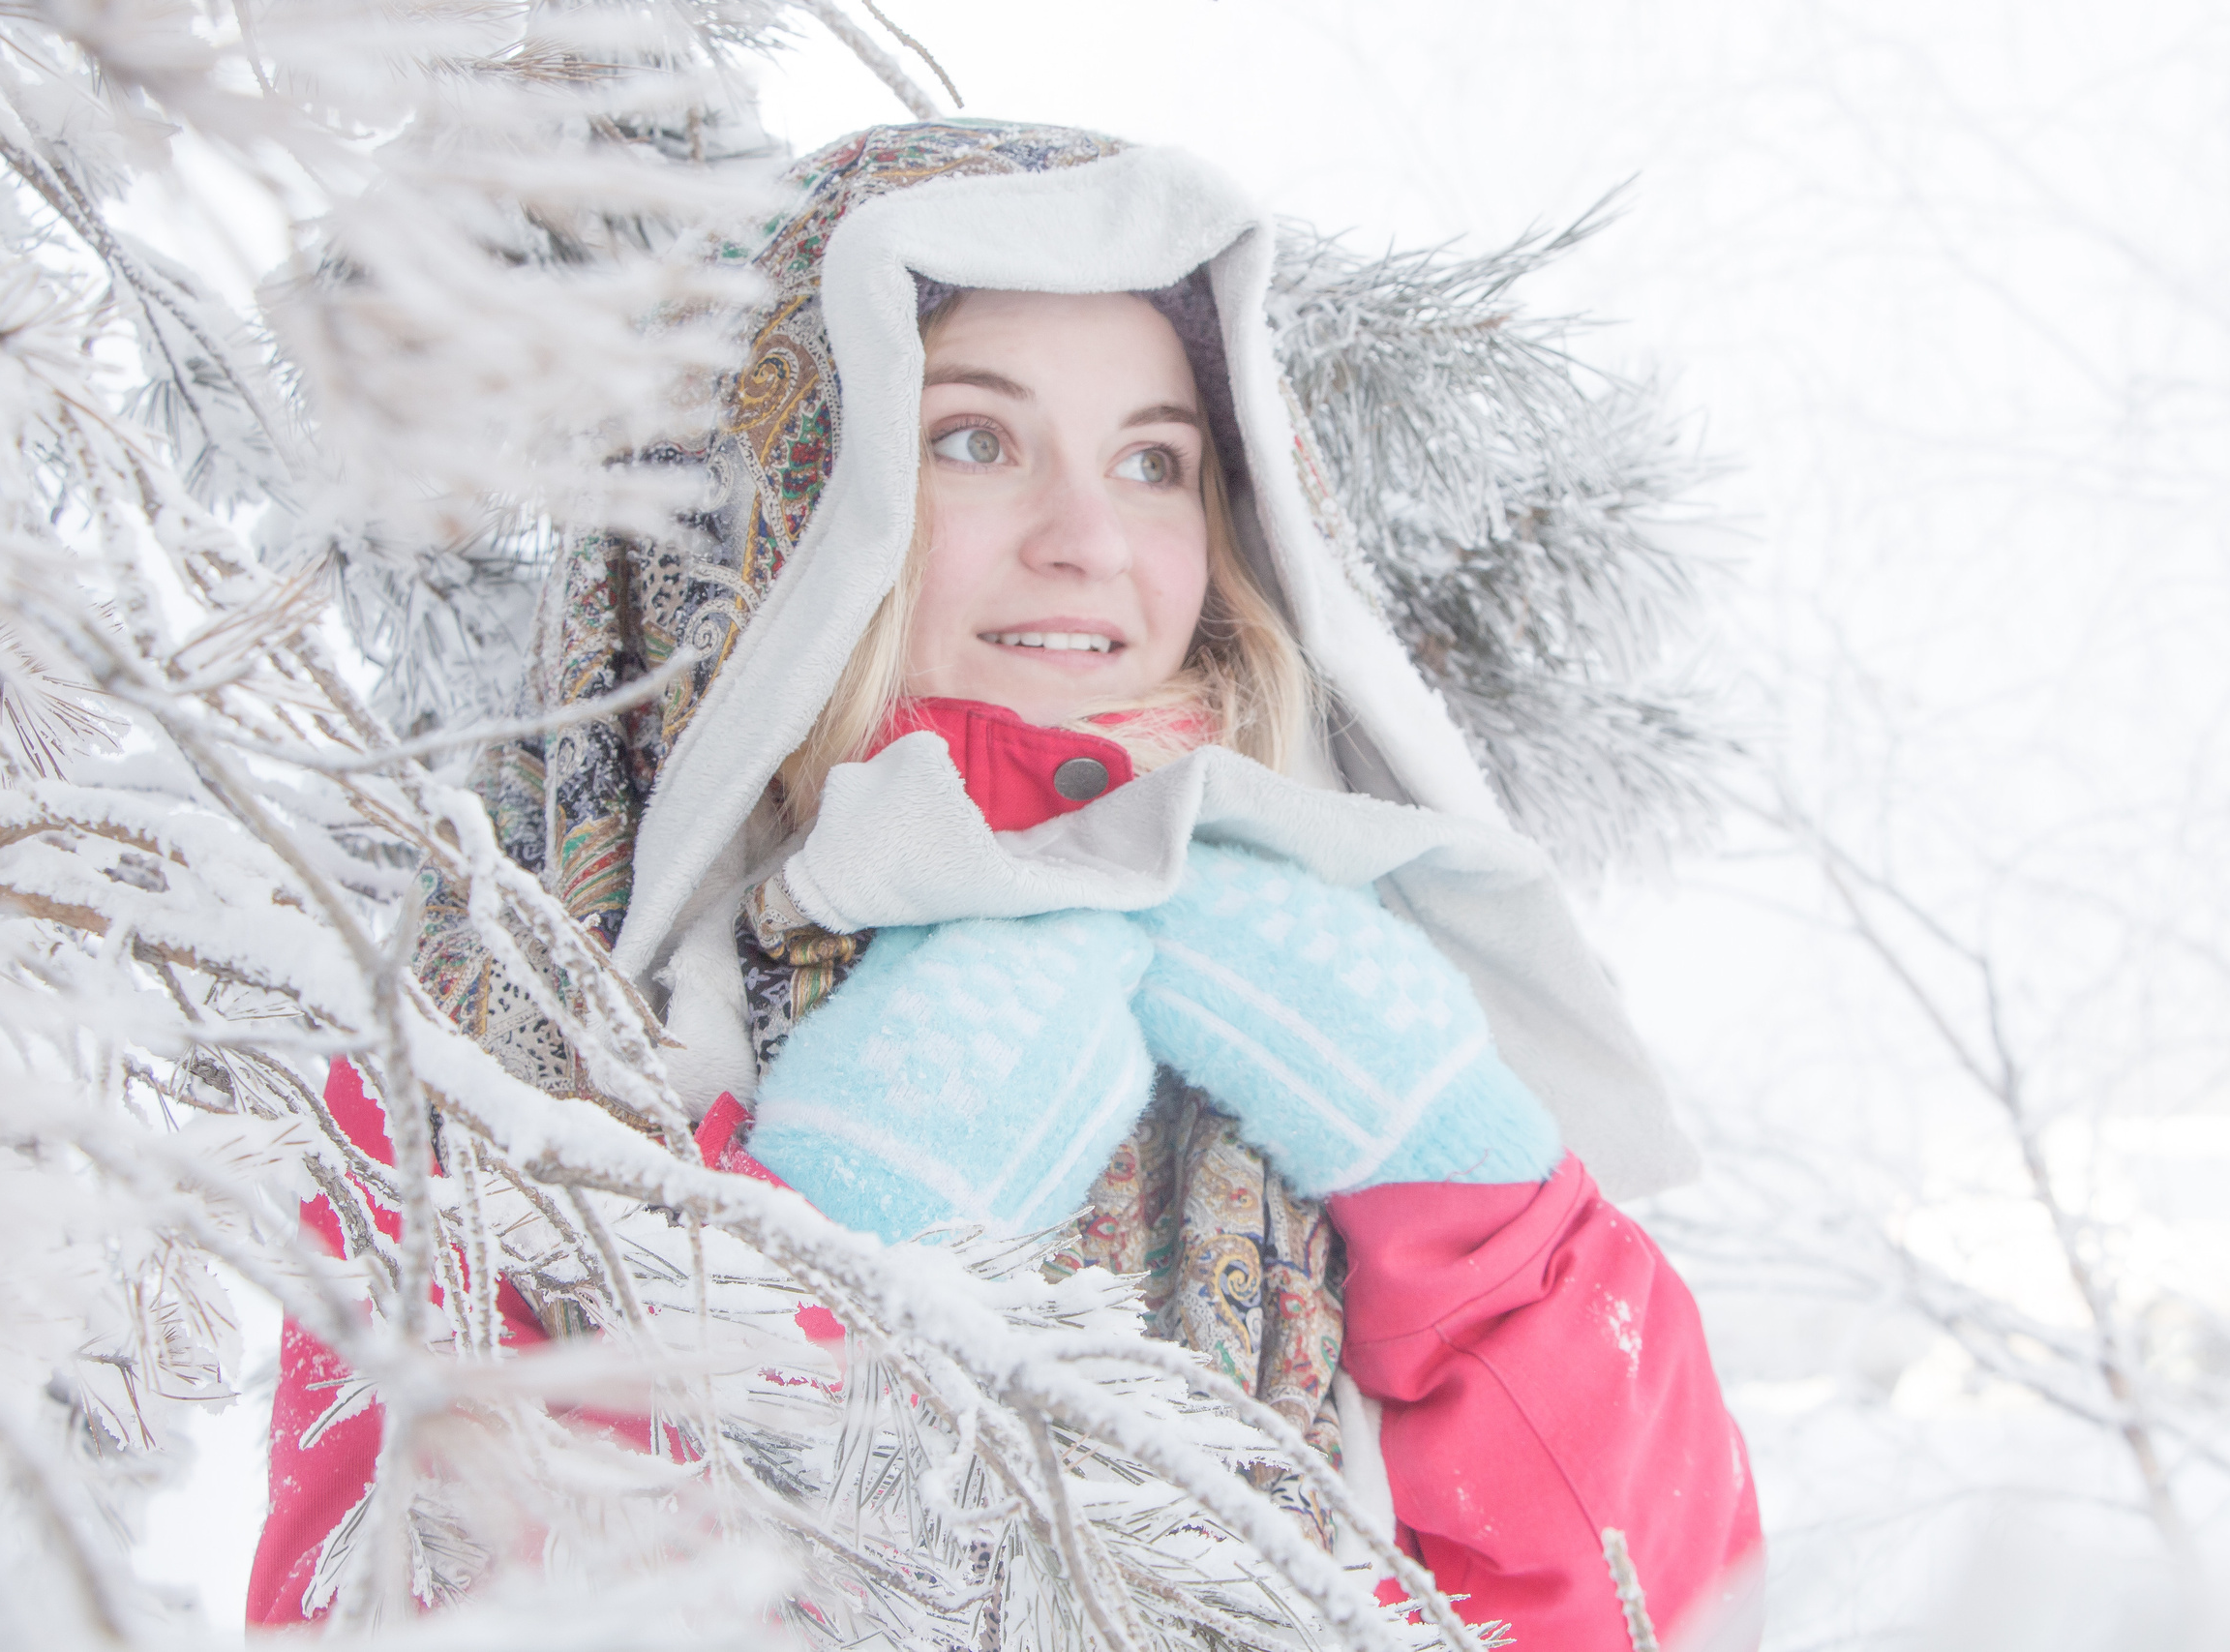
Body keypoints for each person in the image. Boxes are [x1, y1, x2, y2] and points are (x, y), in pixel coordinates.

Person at [252, 120, 1762, 1650]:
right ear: (773, 491)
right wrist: (841, 1258)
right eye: (972, 437)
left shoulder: (1328, 973)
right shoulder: (500, 1032)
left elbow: (1674, 1616)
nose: (1091, 540)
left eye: (1156, 461)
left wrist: (1477, 1202)